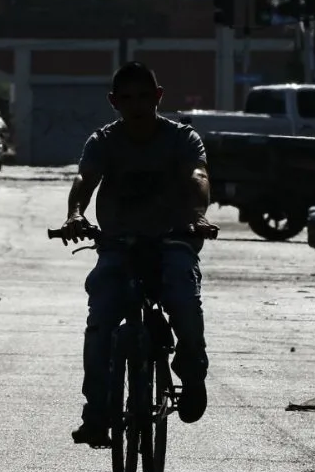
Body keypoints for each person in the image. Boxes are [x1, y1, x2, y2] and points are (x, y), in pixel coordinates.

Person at [58, 61, 215, 448]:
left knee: (183, 300)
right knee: (100, 326)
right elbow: (85, 179)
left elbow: (198, 176)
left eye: (144, 96)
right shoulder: (103, 141)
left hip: (172, 240)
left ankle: (191, 373)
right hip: (119, 244)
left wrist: (197, 216)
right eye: (126, 98)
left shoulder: (182, 138)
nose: (136, 105)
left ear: (159, 96)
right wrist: (75, 215)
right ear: (113, 101)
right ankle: (97, 414)